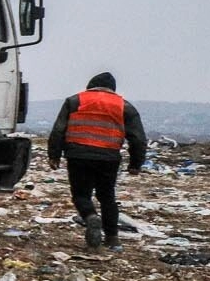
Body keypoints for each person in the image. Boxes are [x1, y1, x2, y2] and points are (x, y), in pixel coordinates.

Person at [46, 71, 147, 249]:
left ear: (90, 85)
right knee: (107, 197)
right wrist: (135, 164)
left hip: (78, 155)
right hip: (108, 157)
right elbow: (138, 138)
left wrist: (54, 155)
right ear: (113, 89)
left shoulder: (75, 101)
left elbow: (58, 130)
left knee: (81, 194)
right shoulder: (124, 106)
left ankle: (91, 216)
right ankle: (112, 238)